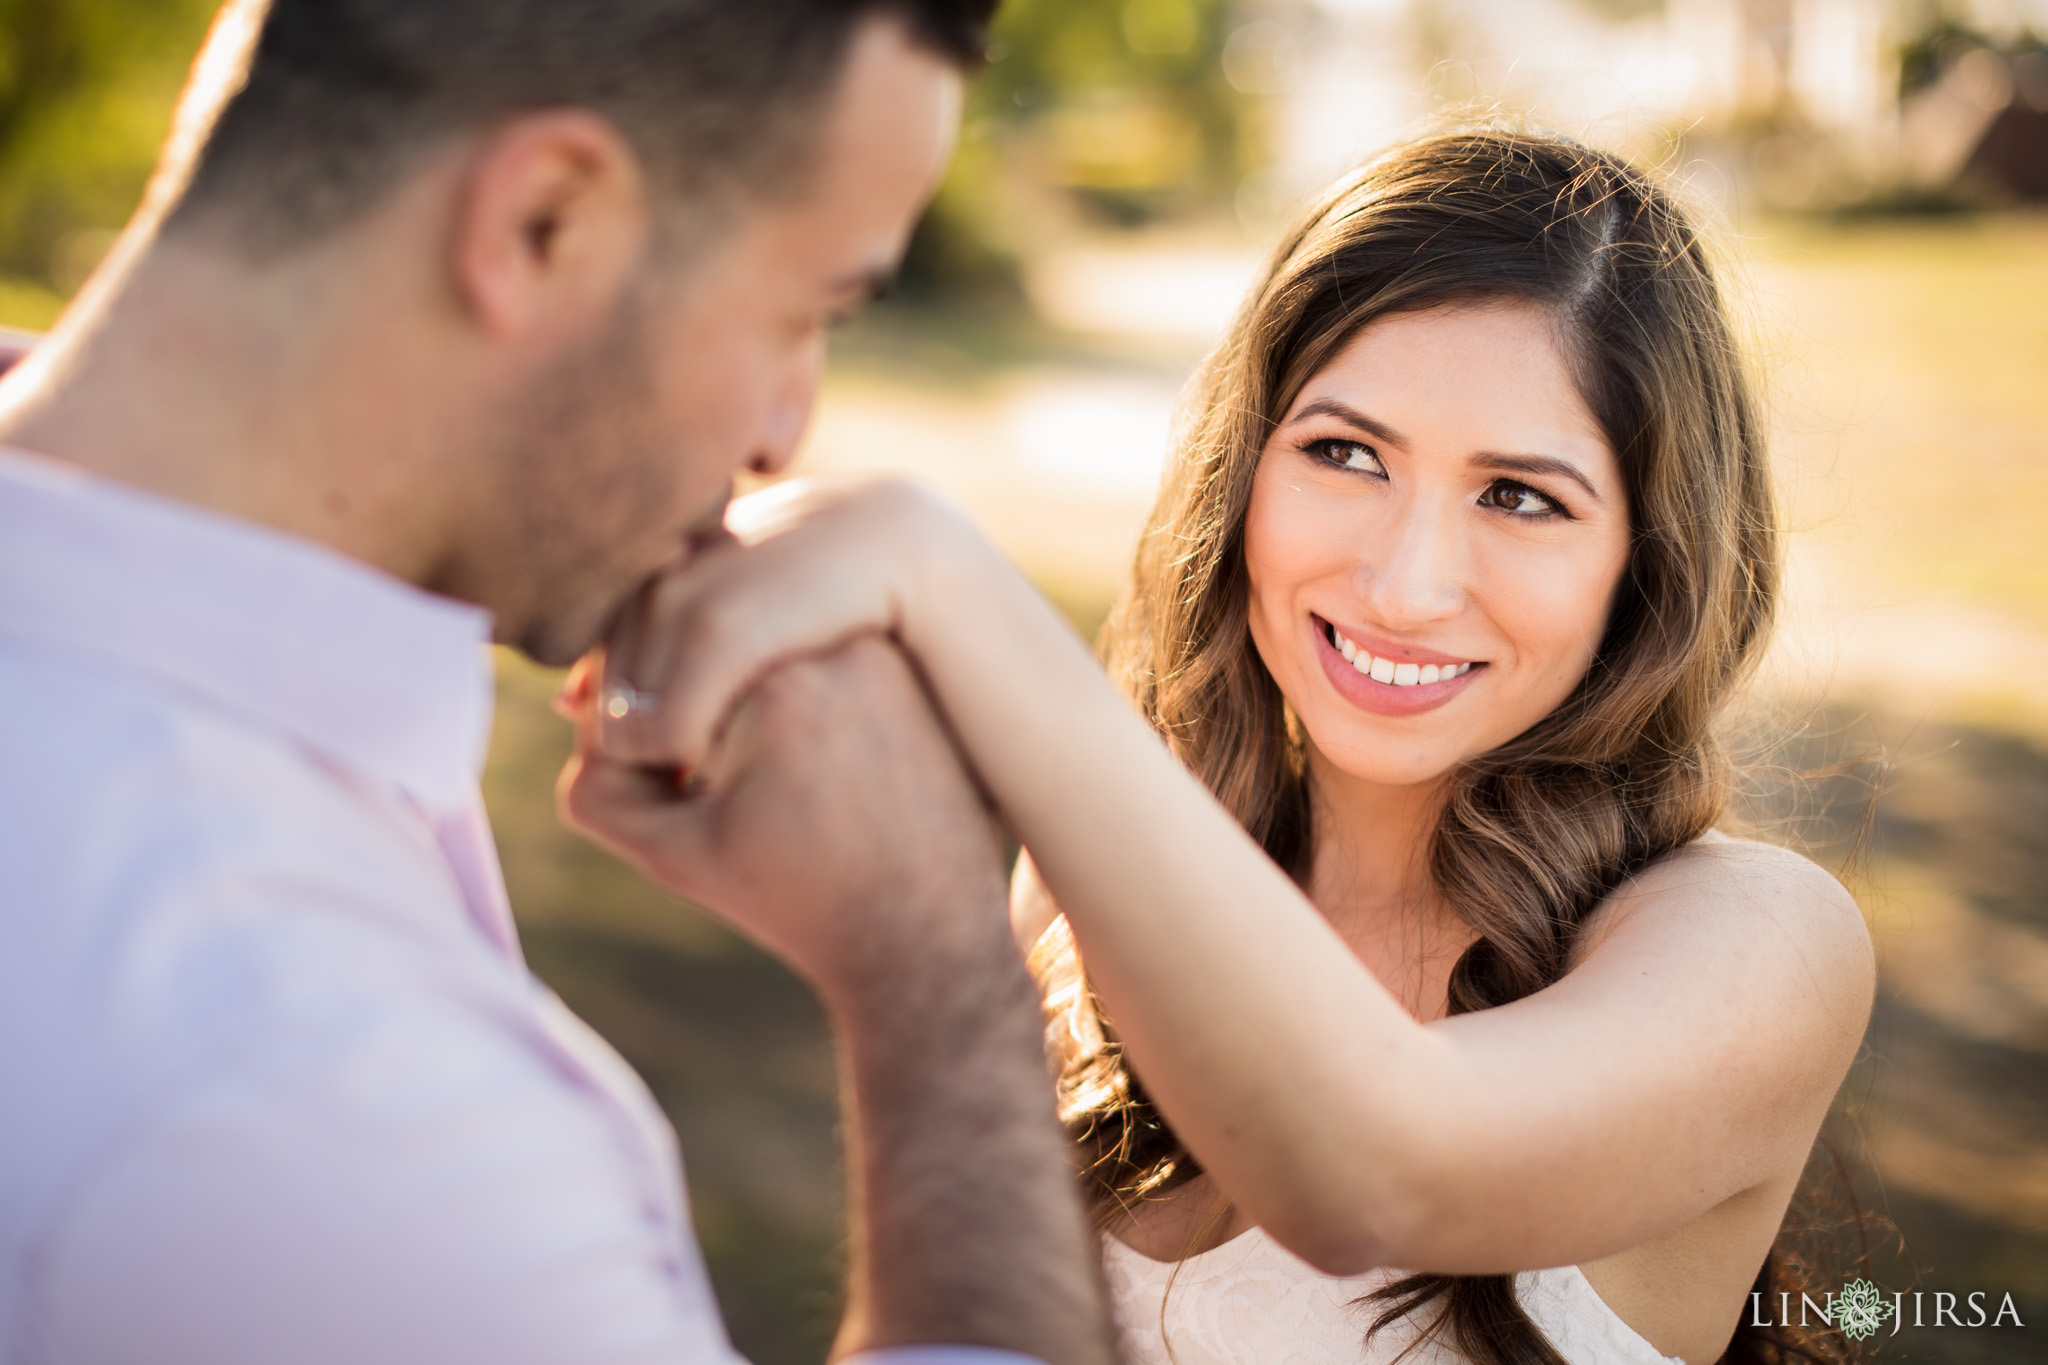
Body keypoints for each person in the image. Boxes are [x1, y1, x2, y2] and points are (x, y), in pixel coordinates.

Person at [587, 131, 1879, 1365]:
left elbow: (1378, 1169)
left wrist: (949, 581)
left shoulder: (1760, 941)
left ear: (1644, 568)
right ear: (1244, 469)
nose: (1406, 582)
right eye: (1344, 452)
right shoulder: (1086, 889)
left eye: (1521, 495)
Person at [0, 2, 1116, 1363]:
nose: (783, 433)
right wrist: (935, 972)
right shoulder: (314, 1085)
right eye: (803, 312)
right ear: (544, 223)